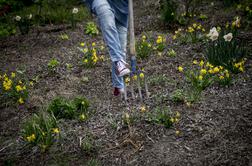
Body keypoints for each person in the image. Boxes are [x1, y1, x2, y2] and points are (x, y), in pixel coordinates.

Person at [84, 0, 130, 96]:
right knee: (108, 23)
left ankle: (118, 86)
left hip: (121, 9)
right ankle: (119, 62)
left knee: (121, 50)